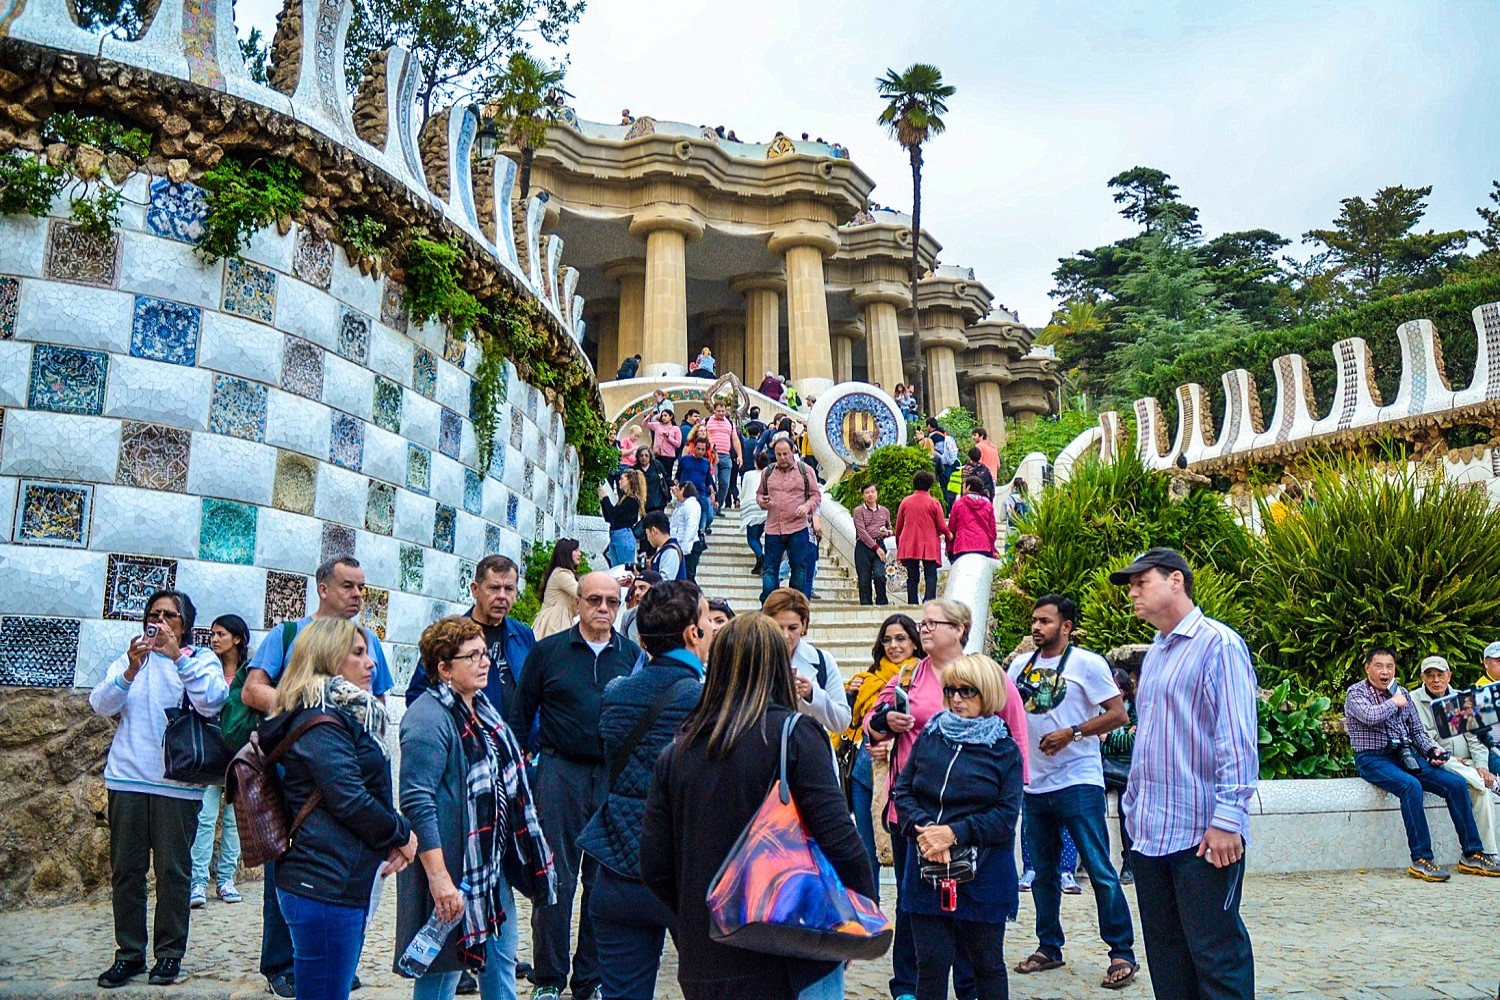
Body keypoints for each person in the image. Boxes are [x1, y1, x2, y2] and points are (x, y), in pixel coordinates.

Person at [641, 614, 874, 1000]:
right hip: (794, 952)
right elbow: (841, 840)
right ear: (780, 666)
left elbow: (654, 863)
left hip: (708, 958)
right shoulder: (794, 736)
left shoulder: (678, 750)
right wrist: (857, 916)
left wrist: (703, 912)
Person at [240, 556, 399, 998]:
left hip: (341, 775)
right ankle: (282, 965)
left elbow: (376, 702)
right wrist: (306, 704)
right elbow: (253, 689)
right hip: (296, 780)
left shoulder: (366, 640)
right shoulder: (290, 635)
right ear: (323, 588)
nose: (358, 595)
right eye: (348, 585)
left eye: (362, 587)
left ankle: (336, 961)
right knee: (292, 866)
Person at [1109, 547, 1260, 1000]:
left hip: (1203, 834)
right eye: (1131, 586)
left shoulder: (1219, 645)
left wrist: (1228, 818)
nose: (1133, 593)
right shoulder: (1156, 652)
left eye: (1141, 582)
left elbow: (1235, 736)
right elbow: (1152, 736)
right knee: (1167, 958)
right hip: (1150, 833)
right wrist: (1133, 807)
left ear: (1176, 580)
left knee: (1217, 957)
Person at [867, 599, 1029, 1000]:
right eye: (951, 691)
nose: (956, 698)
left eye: (966, 691)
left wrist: (953, 833)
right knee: (931, 962)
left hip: (982, 866)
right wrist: (925, 831)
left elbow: (1005, 814)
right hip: (925, 856)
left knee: (985, 963)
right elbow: (903, 787)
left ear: (986, 693)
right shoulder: (931, 734)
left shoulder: (1004, 749)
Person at [397, 617, 556, 1000]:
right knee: (440, 978)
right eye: (472, 656)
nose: (485, 662)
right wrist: (439, 879)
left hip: (488, 868)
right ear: (444, 668)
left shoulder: (483, 711)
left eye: (484, 653)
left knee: (502, 964)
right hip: (452, 869)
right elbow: (417, 800)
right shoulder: (427, 718)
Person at [259, 618, 416, 1000]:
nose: (371, 663)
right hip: (323, 881)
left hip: (337, 878)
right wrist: (401, 833)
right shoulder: (321, 720)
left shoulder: (344, 713)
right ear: (327, 658)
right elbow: (350, 799)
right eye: (357, 653)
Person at [511, 572, 644, 1000]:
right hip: (559, 773)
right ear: (578, 603)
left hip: (612, 776)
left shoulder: (632, 657)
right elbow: (521, 715)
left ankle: (590, 979)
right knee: (554, 878)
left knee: (602, 882)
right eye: (594, 600)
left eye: (612, 601)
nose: (603, 608)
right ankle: (549, 978)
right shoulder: (548, 652)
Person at [91, 590, 227, 989]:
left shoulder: (200, 659)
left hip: (177, 785)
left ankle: (169, 954)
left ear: (186, 625)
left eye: (170, 615)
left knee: (173, 873)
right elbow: (100, 704)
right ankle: (129, 954)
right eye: (154, 614)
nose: (161, 622)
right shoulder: (132, 658)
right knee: (126, 872)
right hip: (127, 778)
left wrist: (178, 659)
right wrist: (129, 672)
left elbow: (212, 702)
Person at [579, 582, 709, 1000]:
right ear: (692, 633)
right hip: (684, 872)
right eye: (707, 619)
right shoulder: (708, 700)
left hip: (619, 866)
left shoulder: (616, 693)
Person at [1008, 596, 1137, 989]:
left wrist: (1073, 733)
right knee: (1042, 872)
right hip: (1034, 783)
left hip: (1078, 780)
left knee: (1099, 869)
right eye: (1034, 620)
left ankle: (1122, 952)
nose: (1037, 627)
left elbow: (1118, 714)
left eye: (1045, 621)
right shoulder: (1019, 665)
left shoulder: (1088, 664)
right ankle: (1049, 946)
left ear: (1066, 627)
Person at [1344, 646, 1500, 882]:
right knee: (1411, 786)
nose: (1385, 672)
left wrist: (1432, 751)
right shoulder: (1357, 693)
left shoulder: (1402, 693)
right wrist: (1393, 702)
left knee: (1455, 784)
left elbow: (1417, 732)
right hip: (1372, 758)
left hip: (1404, 754)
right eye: (1379, 666)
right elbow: (1370, 716)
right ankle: (1422, 859)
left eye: (1389, 666)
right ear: (1367, 668)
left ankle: (1472, 854)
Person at [841, 613, 925, 903]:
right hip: (863, 772)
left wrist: (888, 747)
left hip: (901, 775)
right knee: (866, 851)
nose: (893, 646)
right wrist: (851, 695)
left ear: (914, 642)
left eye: (901, 638)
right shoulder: (868, 678)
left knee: (902, 853)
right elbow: (851, 721)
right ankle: (870, 914)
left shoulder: (921, 677)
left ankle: (906, 915)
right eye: (887, 640)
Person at [405, 555, 536, 725]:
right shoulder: (450, 636)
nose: (502, 596)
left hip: (515, 739)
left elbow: (536, 690)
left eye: (509, 589)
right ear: (475, 589)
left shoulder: (523, 635)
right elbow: (418, 695)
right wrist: (455, 730)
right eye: (494, 588)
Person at [190, 613, 250, 910]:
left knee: (235, 820)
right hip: (211, 750)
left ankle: (226, 879)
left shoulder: (250, 672)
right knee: (204, 817)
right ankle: (198, 881)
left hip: (240, 752)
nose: (214, 639)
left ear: (237, 639)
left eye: (221, 634)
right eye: (212, 634)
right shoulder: (206, 667)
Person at [1412, 655, 1500, 857]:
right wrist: (1448, 757)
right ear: (1422, 678)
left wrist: (1481, 765)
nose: (1436, 680)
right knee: (1467, 775)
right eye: (1430, 675)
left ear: (1449, 676)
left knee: (1482, 793)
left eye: (1440, 674)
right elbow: (1422, 738)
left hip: (1467, 764)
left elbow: (1476, 737)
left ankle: (1489, 853)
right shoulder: (1413, 700)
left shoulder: (1461, 698)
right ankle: (1491, 782)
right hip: (1438, 761)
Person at [763, 587, 850, 735]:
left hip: (808, 744)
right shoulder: (753, 660)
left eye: (792, 628)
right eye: (778, 627)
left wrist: (812, 694)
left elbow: (842, 721)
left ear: (804, 624)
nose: (785, 635)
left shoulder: (822, 661)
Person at [756, 436, 821, 601]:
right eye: (778, 454)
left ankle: (795, 604)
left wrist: (807, 507)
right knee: (770, 569)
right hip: (773, 528)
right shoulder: (768, 472)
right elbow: (760, 494)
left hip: (797, 528)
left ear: (793, 452)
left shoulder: (805, 471)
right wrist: (763, 501)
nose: (782, 458)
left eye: (785, 454)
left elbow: (816, 495)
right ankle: (768, 604)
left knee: (799, 568)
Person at [1100, 668, 1138, 884]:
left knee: (1126, 814)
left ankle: (1129, 863)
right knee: (1092, 809)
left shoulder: (1133, 711)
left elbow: (1132, 743)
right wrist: (1118, 739)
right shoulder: (1099, 711)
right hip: (1102, 768)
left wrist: (1107, 738)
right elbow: (1094, 740)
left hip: (1126, 771)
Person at [895, 471, 948, 605]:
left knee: (912, 577)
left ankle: (912, 603)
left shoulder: (905, 502)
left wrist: (899, 544)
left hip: (909, 543)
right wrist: (949, 535)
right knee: (931, 575)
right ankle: (929, 602)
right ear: (930, 485)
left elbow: (899, 527)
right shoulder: (934, 503)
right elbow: (942, 526)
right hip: (929, 543)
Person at [530, 539, 582, 641]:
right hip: (555, 621)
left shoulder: (562, 573)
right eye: (575, 550)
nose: (579, 553)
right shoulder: (561, 574)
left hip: (560, 620)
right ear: (566, 553)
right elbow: (582, 592)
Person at [852, 482, 893, 606]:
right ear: (863, 495)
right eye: (867, 493)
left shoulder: (884, 511)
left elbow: (890, 528)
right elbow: (862, 532)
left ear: (877, 493)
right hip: (863, 547)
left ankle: (882, 604)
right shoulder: (858, 511)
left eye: (872, 492)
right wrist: (876, 548)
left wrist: (888, 532)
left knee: (879, 575)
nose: (870, 495)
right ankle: (866, 607)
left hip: (880, 543)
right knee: (864, 581)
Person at [703, 400, 742, 514]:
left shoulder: (730, 423)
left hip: (726, 456)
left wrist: (739, 455)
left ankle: (718, 507)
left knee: (725, 483)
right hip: (711, 456)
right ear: (714, 410)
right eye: (719, 411)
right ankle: (710, 507)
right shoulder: (706, 421)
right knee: (713, 482)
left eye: (723, 411)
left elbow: (735, 440)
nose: (721, 413)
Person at [947, 476, 998, 562]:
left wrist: (949, 548)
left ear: (968, 487)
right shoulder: (988, 505)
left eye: (963, 486)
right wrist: (992, 547)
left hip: (962, 546)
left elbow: (952, 527)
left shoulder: (958, 504)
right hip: (983, 546)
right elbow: (992, 530)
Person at [601, 470, 645, 569]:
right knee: (615, 570)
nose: (619, 481)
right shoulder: (624, 499)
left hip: (623, 535)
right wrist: (603, 500)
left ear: (629, 481)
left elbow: (614, 514)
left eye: (622, 479)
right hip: (615, 535)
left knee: (625, 569)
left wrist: (605, 498)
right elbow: (609, 517)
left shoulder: (632, 500)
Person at [740, 451, 770, 575]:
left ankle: (761, 557)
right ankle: (759, 564)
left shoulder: (748, 474)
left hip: (751, 508)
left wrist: (741, 500)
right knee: (757, 537)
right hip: (764, 509)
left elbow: (743, 491)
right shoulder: (769, 475)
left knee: (751, 539)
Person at [670, 481, 705, 581]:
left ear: (683, 490)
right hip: (681, 545)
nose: (676, 493)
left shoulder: (691, 505)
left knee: (688, 577)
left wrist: (685, 549)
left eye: (678, 490)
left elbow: (691, 527)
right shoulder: (683, 505)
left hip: (689, 546)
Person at [617, 570, 661, 643]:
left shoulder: (669, 617)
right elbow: (622, 645)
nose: (636, 593)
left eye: (642, 588)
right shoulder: (628, 616)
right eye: (635, 588)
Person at [642, 512, 686, 582]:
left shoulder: (670, 552)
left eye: (647, 534)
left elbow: (664, 583)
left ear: (654, 530)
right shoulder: (663, 550)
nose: (648, 539)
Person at [645, 409, 681, 484]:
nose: (663, 417)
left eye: (665, 415)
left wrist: (668, 437)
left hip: (669, 457)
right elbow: (645, 424)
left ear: (671, 416)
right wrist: (649, 416)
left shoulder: (676, 429)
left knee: (666, 477)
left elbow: (678, 444)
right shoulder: (657, 425)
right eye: (662, 416)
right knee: (656, 475)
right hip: (657, 454)